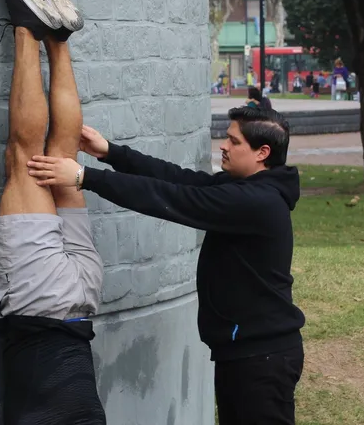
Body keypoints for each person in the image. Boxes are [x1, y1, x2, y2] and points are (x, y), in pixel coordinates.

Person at [26, 107, 307, 425]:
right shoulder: (246, 191)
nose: (223, 146)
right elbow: (178, 180)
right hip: (247, 351)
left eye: (233, 140)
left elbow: (171, 198)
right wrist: (111, 153)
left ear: (262, 153)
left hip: (261, 357)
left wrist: (84, 177)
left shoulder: (255, 203)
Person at [0, 0, 105, 424]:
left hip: (84, 294)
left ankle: (58, 39)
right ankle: (27, 26)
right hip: (45, 300)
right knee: (26, 159)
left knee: (60, 155)